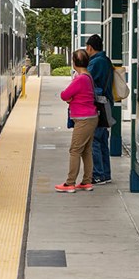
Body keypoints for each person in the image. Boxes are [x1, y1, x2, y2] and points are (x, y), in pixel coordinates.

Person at [56, 49, 97, 193]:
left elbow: (64, 94)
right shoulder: (88, 76)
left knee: (75, 150)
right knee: (86, 151)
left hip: (83, 119)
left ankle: (70, 183)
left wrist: (70, 98)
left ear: (74, 63)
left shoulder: (80, 79)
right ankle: (87, 181)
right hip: (91, 118)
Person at [86, 33, 114, 185]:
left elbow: (86, 81)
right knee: (102, 140)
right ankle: (105, 174)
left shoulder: (96, 62)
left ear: (90, 47)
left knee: (94, 140)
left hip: (98, 105)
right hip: (106, 103)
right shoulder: (106, 60)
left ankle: (97, 174)